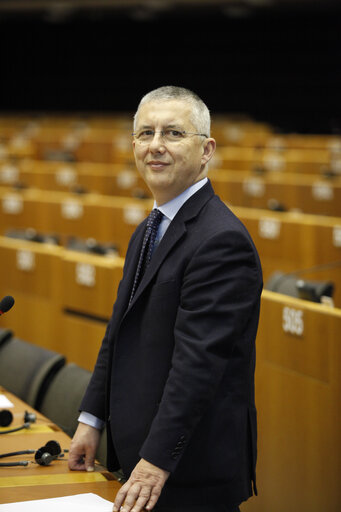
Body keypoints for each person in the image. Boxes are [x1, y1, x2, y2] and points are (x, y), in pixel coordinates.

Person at [68, 86, 263, 512]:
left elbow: (198, 365)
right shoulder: (151, 227)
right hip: (143, 463)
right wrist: (91, 419)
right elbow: (118, 333)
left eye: (173, 134)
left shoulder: (221, 239)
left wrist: (155, 460)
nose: (155, 146)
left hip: (187, 470)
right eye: (145, 133)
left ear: (206, 149)